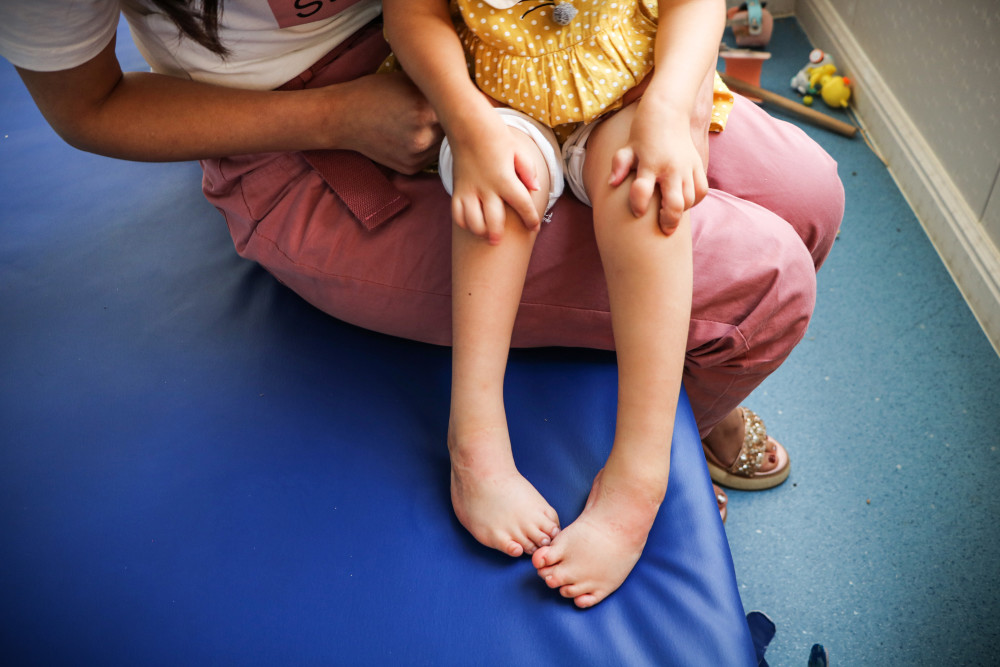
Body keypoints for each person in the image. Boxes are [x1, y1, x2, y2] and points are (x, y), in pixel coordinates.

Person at [0, 0, 841, 603]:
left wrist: (675, 88)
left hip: (583, 54)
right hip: (387, 87)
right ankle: (577, 434)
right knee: (760, 287)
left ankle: (699, 399)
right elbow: (87, 107)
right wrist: (338, 115)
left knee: (811, 197)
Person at [381, 0, 734, 608]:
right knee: (501, 194)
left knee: (648, 196)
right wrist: (468, 125)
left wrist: (669, 107)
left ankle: (639, 478)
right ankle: (476, 443)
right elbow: (410, 16)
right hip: (495, 101)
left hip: (628, 93)